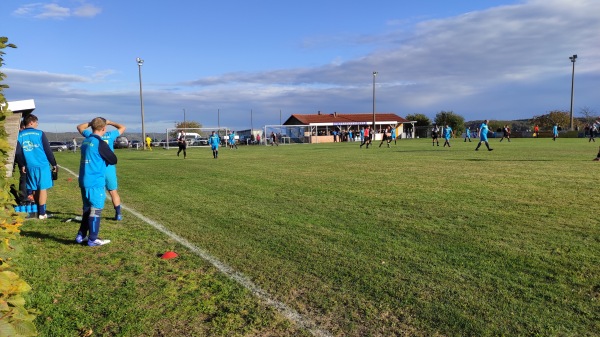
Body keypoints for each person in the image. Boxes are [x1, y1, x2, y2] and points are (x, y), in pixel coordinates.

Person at [76, 117, 118, 246]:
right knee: (96, 210)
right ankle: (93, 239)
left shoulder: (86, 140)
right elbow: (113, 159)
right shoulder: (100, 143)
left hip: (84, 179)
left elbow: (80, 127)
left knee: (87, 210)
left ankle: (80, 236)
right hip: (95, 181)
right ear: (104, 129)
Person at [77, 119, 126, 221]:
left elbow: (80, 127)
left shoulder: (90, 136)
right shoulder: (110, 135)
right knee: (113, 191)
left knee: (93, 191)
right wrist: (110, 122)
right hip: (109, 166)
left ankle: (90, 214)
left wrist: (92, 123)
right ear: (104, 127)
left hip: (96, 166)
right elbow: (122, 127)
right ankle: (118, 213)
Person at [16, 114, 57, 220]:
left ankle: (38, 210)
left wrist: (22, 164)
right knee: (42, 188)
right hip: (42, 165)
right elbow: (48, 150)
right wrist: (54, 163)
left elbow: (18, 152)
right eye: (36, 122)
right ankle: (42, 213)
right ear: (31, 122)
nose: (37, 124)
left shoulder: (19, 135)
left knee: (34, 188)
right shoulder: (39, 133)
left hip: (29, 165)